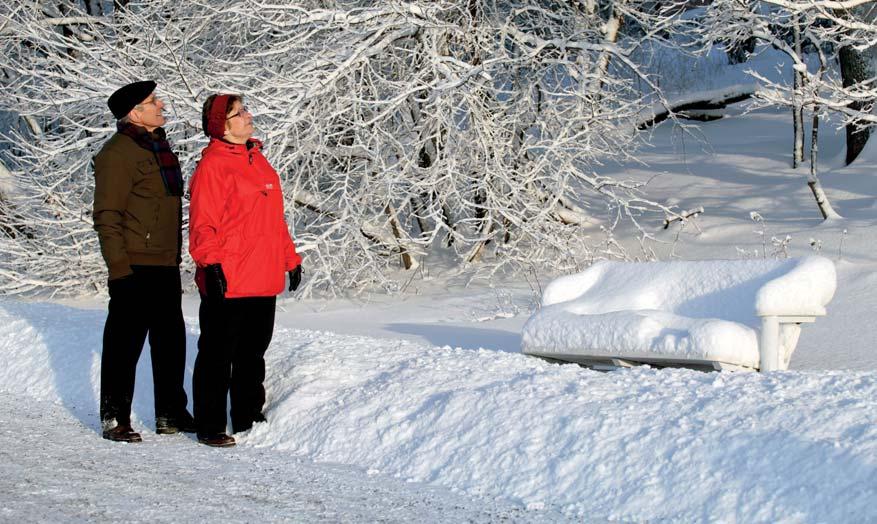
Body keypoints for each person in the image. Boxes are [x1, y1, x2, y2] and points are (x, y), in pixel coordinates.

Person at [188, 93, 303, 448]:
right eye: (240, 113)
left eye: (247, 110)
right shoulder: (214, 165)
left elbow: (274, 221)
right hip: (230, 277)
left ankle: (248, 416)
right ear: (223, 126)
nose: (249, 116)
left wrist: (290, 259)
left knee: (253, 354)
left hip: (262, 276)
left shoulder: (260, 162)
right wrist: (210, 264)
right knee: (217, 355)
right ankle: (209, 423)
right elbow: (202, 223)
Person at [93, 80, 196, 442]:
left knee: (171, 342)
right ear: (135, 112)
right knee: (124, 344)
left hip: (164, 263)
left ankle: (170, 413)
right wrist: (119, 269)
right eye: (153, 102)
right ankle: (114, 418)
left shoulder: (157, 148)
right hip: (133, 265)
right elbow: (106, 215)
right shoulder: (117, 154)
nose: (161, 104)